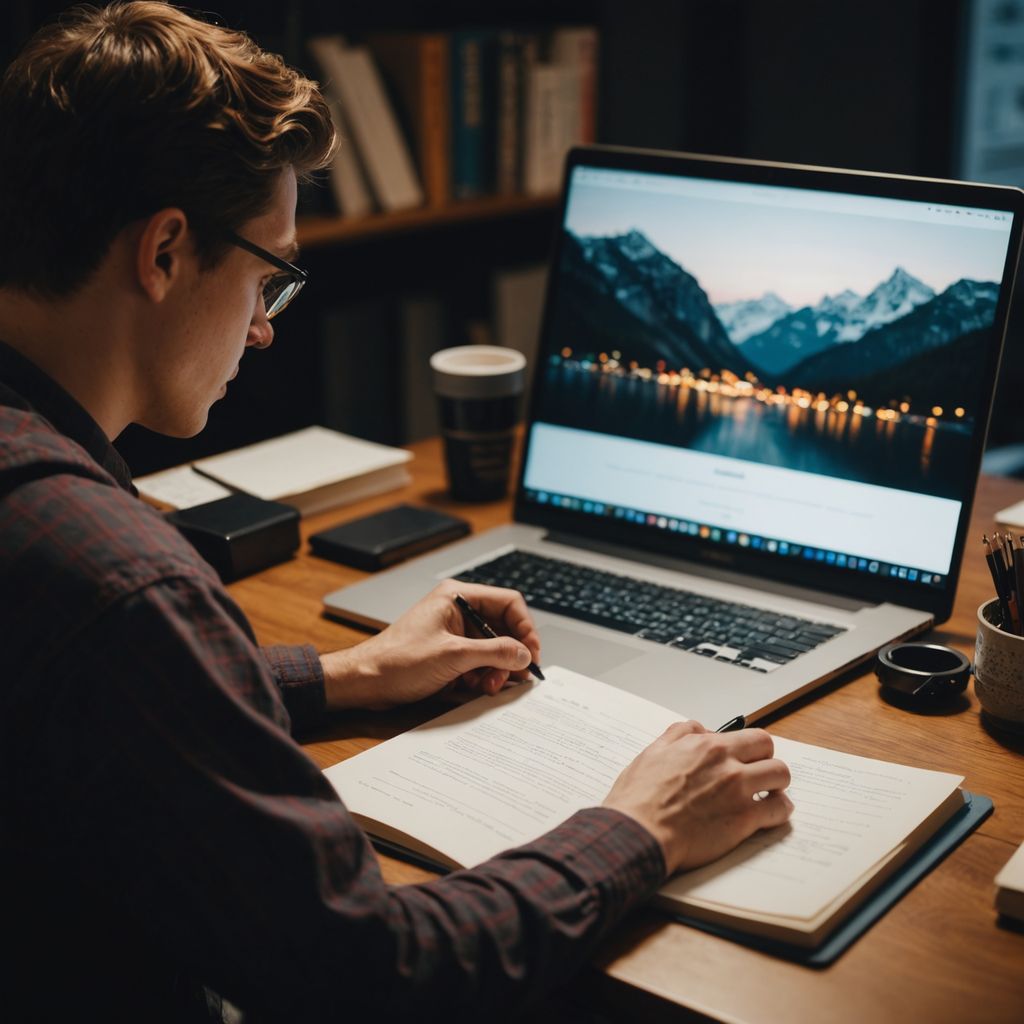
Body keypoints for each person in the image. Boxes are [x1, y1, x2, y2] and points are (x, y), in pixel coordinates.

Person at [0, 3, 793, 1020]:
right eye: (268, 279)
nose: (263, 332)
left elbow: (88, 702)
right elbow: (375, 970)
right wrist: (640, 828)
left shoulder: (73, 564)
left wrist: (345, 676)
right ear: (163, 252)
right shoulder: (120, 580)